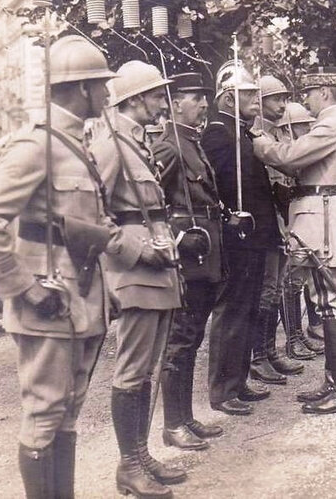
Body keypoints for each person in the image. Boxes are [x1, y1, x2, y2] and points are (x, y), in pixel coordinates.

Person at [0, 35, 120, 499]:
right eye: (101, 85)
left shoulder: (74, 143)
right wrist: (24, 288)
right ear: (82, 89)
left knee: (67, 409)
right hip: (48, 300)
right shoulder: (36, 145)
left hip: (78, 296)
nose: (107, 95)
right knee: (45, 409)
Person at [89, 60, 187, 498]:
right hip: (135, 272)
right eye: (154, 96)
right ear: (133, 99)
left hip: (157, 269)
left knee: (146, 369)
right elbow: (93, 215)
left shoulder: (135, 139)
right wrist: (136, 251)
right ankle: (128, 465)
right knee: (131, 371)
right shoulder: (110, 143)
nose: (160, 103)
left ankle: (141, 454)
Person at [252, 65, 336, 415]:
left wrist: (260, 139)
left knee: (331, 302)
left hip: (325, 218)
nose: (304, 100)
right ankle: (335, 383)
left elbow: (286, 158)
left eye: (309, 93)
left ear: (325, 94)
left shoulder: (330, 125)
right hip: (328, 215)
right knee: (326, 299)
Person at [145, 72, 226, 452]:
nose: (204, 104)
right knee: (179, 340)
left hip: (205, 253)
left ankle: (186, 416)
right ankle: (172, 424)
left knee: (192, 338)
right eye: (196, 98)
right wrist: (174, 239)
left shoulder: (191, 142)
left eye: (205, 98)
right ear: (175, 102)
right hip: (187, 255)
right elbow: (148, 203)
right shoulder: (170, 147)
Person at [201, 61, 279, 416]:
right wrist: (230, 217)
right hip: (236, 237)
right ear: (229, 97)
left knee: (246, 311)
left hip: (255, 236)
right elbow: (216, 188)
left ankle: (239, 380)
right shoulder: (218, 135)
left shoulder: (241, 134)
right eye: (248, 95)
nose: (256, 101)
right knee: (232, 311)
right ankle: (222, 389)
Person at [252, 75, 320, 380]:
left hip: (281, 218)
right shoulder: (256, 133)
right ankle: (260, 355)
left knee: (277, 287)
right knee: (267, 291)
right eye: (276, 99)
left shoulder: (274, 135)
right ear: (260, 100)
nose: (282, 105)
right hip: (267, 221)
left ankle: (271, 351)